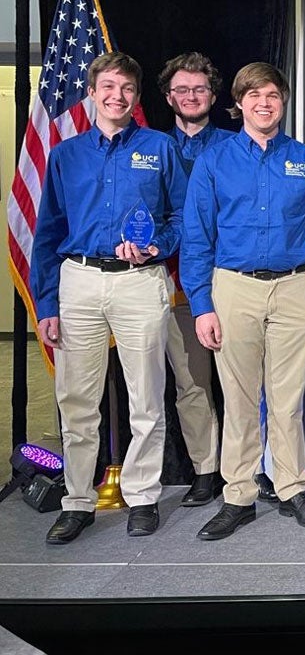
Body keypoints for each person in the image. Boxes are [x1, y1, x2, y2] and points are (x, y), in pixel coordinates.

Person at [33, 52, 187, 543]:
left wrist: (156, 246)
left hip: (139, 281)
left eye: (126, 89)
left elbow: (183, 217)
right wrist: (47, 304)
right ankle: (78, 500)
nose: (117, 96)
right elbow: (48, 231)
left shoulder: (160, 148)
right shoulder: (66, 154)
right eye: (109, 87)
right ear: (93, 92)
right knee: (76, 399)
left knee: (145, 396)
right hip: (78, 280)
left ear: (137, 97)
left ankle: (142, 497)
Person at [184, 62, 305, 540]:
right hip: (234, 288)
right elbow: (196, 236)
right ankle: (239, 495)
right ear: (239, 103)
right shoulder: (214, 161)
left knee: (288, 399)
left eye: (272, 95)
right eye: (254, 96)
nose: (264, 104)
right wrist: (202, 304)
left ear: (283, 101)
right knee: (240, 398)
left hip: (297, 289)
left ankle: (292, 487)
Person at [158, 52, 233, 507]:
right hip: (176, 284)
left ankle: (255, 468)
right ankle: (206, 470)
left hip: (233, 278)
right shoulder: (151, 149)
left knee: (250, 384)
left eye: (199, 89)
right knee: (192, 383)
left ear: (213, 94)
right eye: (182, 90)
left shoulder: (234, 147)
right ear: (169, 97)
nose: (190, 96)